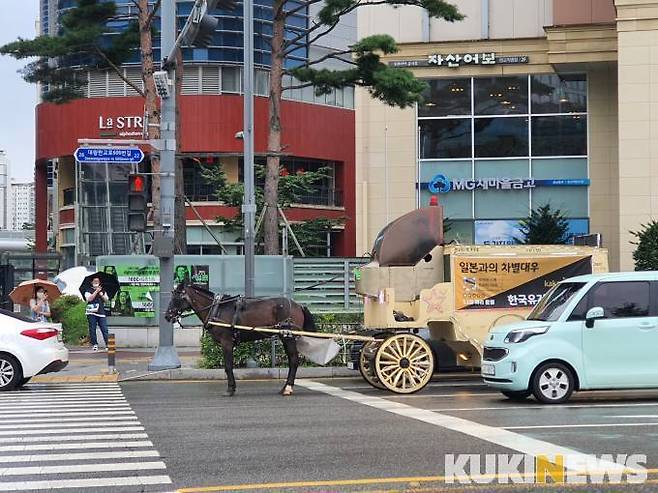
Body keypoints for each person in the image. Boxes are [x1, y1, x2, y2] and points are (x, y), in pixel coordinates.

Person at [85, 277, 110, 351]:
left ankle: (108, 344)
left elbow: (106, 300)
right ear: (91, 282)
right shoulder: (88, 290)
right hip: (91, 312)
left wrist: (101, 294)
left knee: (104, 329)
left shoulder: (102, 291)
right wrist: (96, 291)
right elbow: (89, 299)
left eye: (98, 281)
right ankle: (95, 344)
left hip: (101, 312)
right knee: (92, 329)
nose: (96, 282)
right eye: (95, 281)